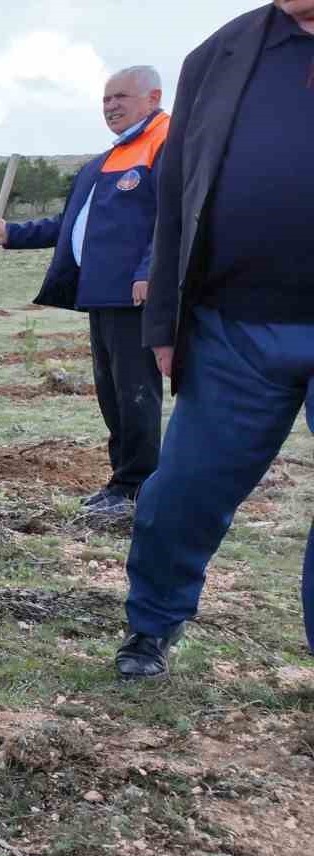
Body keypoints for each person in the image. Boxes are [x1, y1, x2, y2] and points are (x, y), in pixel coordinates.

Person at [116, 2, 314, 679]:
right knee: (184, 491)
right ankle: (153, 625)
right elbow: (177, 196)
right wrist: (165, 320)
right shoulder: (219, 55)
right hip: (233, 325)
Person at [0, 65, 171, 517]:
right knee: (113, 395)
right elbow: (68, 225)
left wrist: (151, 271)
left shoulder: (166, 145)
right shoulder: (104, 162)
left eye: (121, 97)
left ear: (153, 97)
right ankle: (120, 482)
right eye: (105, 100)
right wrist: (12, 233)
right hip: (100, 294)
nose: (111, 107)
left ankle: (139, 488)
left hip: (135, 295)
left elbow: (173, 217)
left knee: (136, 394)